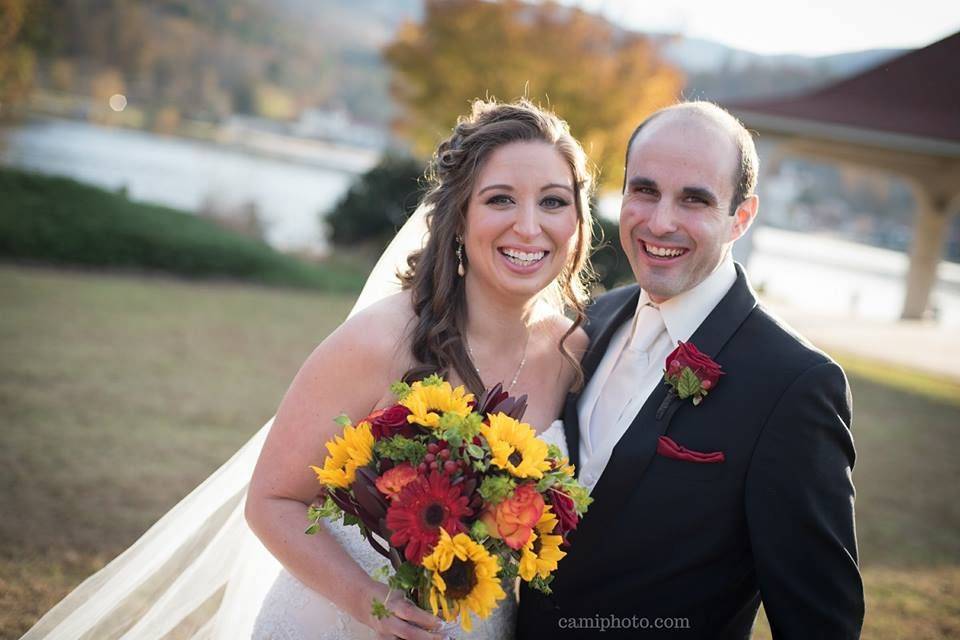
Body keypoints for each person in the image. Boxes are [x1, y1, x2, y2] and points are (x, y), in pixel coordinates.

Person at [22, 98, 595, 639]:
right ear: (458, 216)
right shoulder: (380, 340)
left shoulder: (570, 353)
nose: (528, 226)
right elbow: (271, 501)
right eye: (500, 199)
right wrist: (375, 603)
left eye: (552, 200)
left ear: (577, 218)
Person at [516, 101, 864, 638]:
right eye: (645, 190)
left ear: (740, 218)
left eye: (695, 199)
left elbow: (821, 622)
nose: (660, 221)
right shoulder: (595, 320)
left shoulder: (794, 385)